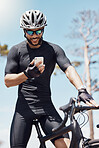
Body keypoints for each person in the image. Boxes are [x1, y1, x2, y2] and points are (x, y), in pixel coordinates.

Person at [4, 10, 98, 148]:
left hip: (46, 107)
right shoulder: (16, 50)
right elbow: (7, 81)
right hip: (24, 109)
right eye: (30, 32)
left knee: (65, 145)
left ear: (43, 29)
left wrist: (81, 89)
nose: (35, 35)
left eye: (39, 31)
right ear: (24, 31)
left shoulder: (53, 49)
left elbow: (68, 69)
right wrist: (26, 74)